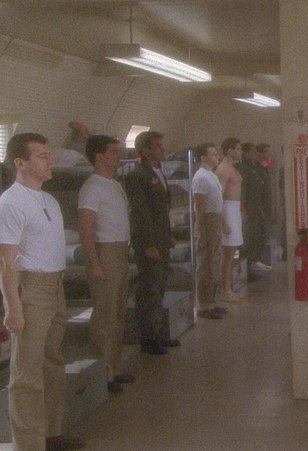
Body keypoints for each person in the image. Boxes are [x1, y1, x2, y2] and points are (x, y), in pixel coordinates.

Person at [0, 133, 85, 450]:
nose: (51, 161)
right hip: (32, 289)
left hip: (55, 286)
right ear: (20, 163)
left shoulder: (48, 200)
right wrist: (13, 308)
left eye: (50, 155)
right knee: (27, 373)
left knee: (52, 362)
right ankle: (29, 444)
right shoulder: (11, 203)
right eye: (42, 156)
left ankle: (52, 433)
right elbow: (6, 263)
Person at [78, 135, 136, 394]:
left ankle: (114, 366)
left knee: (118, 313)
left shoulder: (113, 184)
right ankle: (103, 373)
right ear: (99, 157)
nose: (117, 156)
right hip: (105, 252)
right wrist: (95, 263)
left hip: (120, 250)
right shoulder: (92, 187)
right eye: (113, 152)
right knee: (105, 315)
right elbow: (86, 227)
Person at [124, 130, 179, 355]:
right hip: (149, 240)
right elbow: (141, 213)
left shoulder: (158, 172)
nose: (162, 149)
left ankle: (157, 332)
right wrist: (148, 243)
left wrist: (167, 235)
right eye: (157, 146)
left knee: (160, 285)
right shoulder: (137, 176)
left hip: (160, 237)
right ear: (145, 150)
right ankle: (147, 337)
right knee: (149, 288)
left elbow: (161, 210)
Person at [191, 143, 229, 320]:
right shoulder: (200, 177)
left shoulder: (211, 175)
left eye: (216, 154)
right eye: (212, 154)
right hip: (207, 220)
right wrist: (202, 231)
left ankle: (212, 301)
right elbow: (199, 207)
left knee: (214, 263)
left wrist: (222, 222)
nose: (216, 157)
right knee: (205, 264)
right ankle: (203, 305)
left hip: (215, 219)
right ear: (203, 157)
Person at [214, 137, 245, 301]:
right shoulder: (224, 169)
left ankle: (227, 288)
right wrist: (223, 222)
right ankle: (224, 290)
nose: (240, 152)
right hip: (227, 209)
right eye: (238, 149)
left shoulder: (232, 167)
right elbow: (218, 197)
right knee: (227, 254)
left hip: (234, 209)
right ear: (229, 151)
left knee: (232, 253)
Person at [236, 142, 272, 282]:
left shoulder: (255, 168)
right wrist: (243, 210)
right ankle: (247, 271)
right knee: (249, 240)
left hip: (257, 209)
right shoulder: (243, 168)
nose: (255, 154)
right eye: (252, 151)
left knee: (257, 238)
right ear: (245, 153)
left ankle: (253, 266)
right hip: (249, 210)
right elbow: (243, 192)